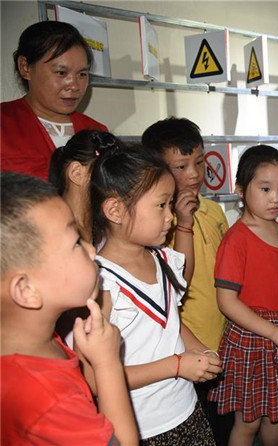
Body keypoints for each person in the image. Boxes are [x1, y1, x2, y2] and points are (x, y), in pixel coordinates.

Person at [91, 145, 221, 445]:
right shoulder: (99, 283)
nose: (170, 217)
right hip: (142, 427)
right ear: (115, 211)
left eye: (170, 204)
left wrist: (200, 350)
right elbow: (95, 379)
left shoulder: (162, 259)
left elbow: (170, 322)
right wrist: (176, 365)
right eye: (161, 205)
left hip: (185, 409)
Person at [0, 172, 138, 445]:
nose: (92, 250)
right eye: (76, 242)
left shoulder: (36, 337)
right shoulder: (48, 399)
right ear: (26, 290)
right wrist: (107, 363)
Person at [142, 117, 232, 445]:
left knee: (226, 424)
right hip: (186, 350)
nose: (194, 174)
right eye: (181, 166)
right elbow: (178, 283)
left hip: (224, 340)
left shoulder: (214, 211)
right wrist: (182, 221)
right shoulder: (156, 225)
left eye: (199, 162)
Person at [209, 145, 278, 446]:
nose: (276, 198)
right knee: (248, 422)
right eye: (265, 188)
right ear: (240, 190)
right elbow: (227, 301)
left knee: (275, 415)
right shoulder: (236, 240)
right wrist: (273, 332)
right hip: (252, 338)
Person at [1, 21, 108, 181]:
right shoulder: (4, 124)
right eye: (61, 73)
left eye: (82, 74)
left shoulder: (96, 132)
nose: (74, 86)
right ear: (25, 67)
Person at [49, 130, 125, 243]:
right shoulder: (47, 229)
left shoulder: (109, 227)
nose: (117, 184)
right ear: (76, 173)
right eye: (105, 174)